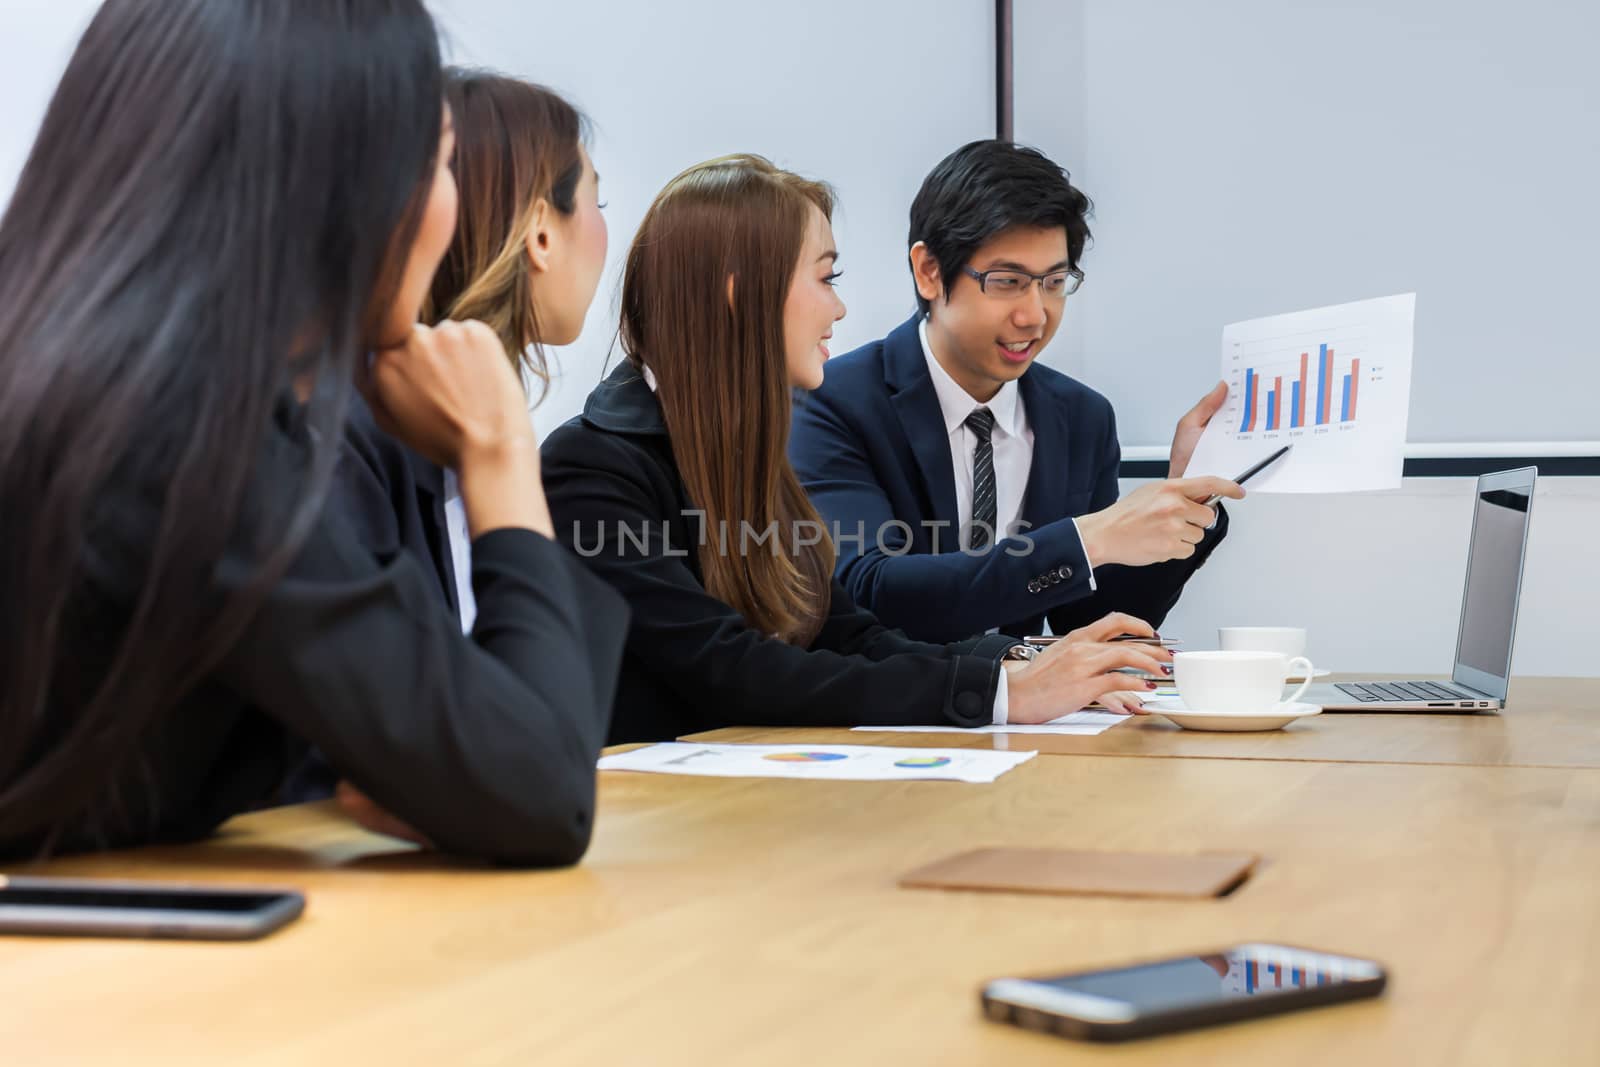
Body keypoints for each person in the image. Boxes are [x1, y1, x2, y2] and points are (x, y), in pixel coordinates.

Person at [0, 0, 626, 865]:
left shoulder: (96, 389)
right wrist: (501, 452)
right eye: (443, 161)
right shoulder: (188, 446)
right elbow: (542, 790)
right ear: (350, 184)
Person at [540, 155, 1172, 745]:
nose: (839, 307)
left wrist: (1019, 663)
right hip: (650, 828)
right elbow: (731, 668)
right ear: (741, 294)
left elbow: (844, 633)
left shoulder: (747, 456)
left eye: (1054, 282)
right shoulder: (592, 469)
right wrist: (1001, 691)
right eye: (825, 278)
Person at [788, 140, 1243, 644]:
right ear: (929, 272)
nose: (1035, 315)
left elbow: (1089, 618)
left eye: (1053, 281)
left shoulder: (1081, 417)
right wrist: (1085, 540)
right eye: (1007, 281)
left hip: (1023, 714)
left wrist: (1188, 498)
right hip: (881, 712)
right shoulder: (831, 401)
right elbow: (868, 589)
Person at [332, 71, 609, 640]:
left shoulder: (379, 430)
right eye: (595, 200)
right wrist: (503, 457)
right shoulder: (357, 449)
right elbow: (523, 718)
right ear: (540, 233)